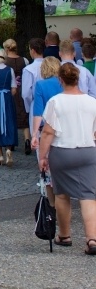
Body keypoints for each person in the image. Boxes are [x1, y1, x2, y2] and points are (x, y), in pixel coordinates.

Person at [37, 62, 96, 253]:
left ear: (60, 80)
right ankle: (92, 239)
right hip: (88, 150)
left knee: (62, 195)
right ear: (78, 79)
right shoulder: (92, 101)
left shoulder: (56, 102)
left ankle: (64, 235)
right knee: (88, 196)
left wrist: (42, 156)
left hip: (62, 152)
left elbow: (47, 132)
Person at [2, 38, 30, 154]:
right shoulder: (24, 60)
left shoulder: (4, 62)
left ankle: (11, 142)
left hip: (9, 90)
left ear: (6, 49)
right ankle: (27, 140)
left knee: (10, 115)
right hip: (22, 90)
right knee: (23, 115)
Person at [32, 56, 63, 149]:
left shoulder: (40, 85)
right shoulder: (65, 83)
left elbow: (38, 112)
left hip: (49, 125)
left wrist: (34, 134)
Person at [21, 38, 46, 132]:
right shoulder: (53, 65)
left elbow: (26, 93)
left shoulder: (29, 69)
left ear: (32, 50)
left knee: (37, 135)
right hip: (51, 102)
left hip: (36, 104)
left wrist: (28, 108)